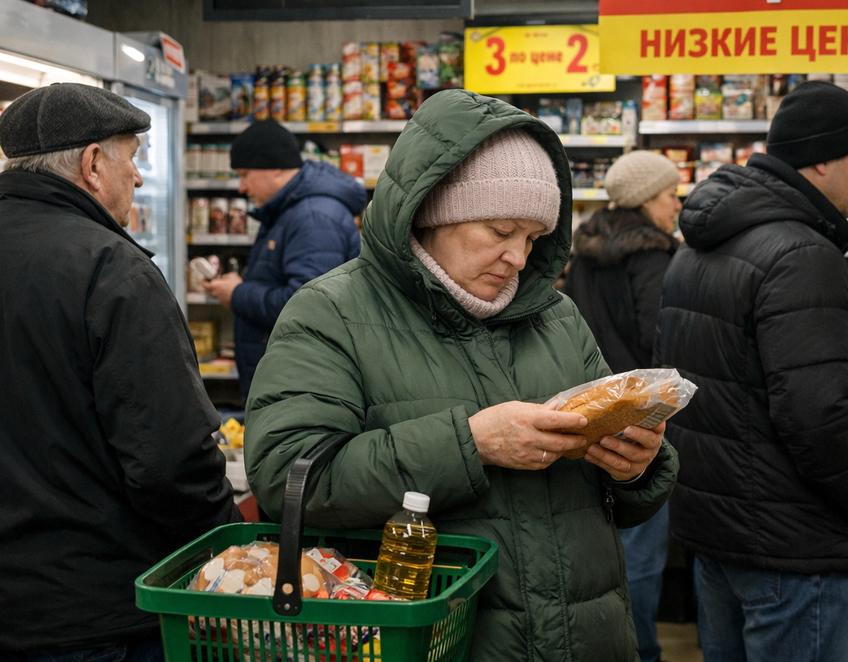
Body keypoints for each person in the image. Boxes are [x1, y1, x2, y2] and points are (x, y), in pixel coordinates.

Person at [246, 89, 679, 662]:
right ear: (430, 210)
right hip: (437, 641)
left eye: (532, 238)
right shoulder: (331, 312)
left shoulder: (557, 316)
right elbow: (287, 477)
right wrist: (470, 444)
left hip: (586, 639)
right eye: (501, 232)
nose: (519, 259)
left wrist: (638, 469)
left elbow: (617, 505)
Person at [0, 83, 239, 660]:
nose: (136, 178)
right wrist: (228, 548)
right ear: (91, 164)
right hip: (96, 617)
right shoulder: (115, 270)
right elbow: (171, 459)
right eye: (131, 158)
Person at [655, 81, 848, 662]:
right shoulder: (802, 254)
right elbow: (818, 414)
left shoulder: (697, 245)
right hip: (793, 548)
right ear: (820, 158)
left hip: (716, 532)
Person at [564, 150, 681, 662]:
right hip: (639, 418)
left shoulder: (587, 247)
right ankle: (643, 652)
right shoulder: (654, 254)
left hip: (590, 405)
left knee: (603, 545)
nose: (677, 203)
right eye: (671, 193)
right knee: (643, 548)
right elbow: (661, 340)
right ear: (646, 199)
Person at [202, 119, 365, 398]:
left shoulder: (313, 218)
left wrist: (238, 294)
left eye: (244, 174)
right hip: (290, 375)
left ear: (274, 167)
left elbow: (309, 307)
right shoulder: (291, 208)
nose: (241, 187)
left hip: (301, 381)